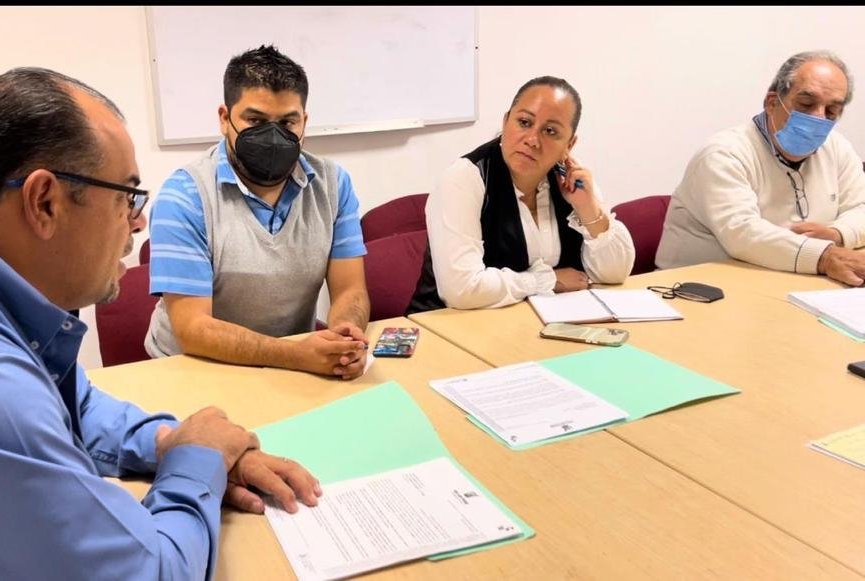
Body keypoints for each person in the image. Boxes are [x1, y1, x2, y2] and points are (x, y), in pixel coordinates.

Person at [0, 67, 322, 580]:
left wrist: (165, 443)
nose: (138, 222)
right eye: (127, 196)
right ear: (43, 201)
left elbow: (67, 402)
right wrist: (197, 462)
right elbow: (150, 574)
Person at [144, 45, 370, 380]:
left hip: (293, 368)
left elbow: (351, 289)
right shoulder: (184, 196)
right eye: (255, 120)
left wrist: (345, 335)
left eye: (287, 122)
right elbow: (193, 329)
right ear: (224, 119)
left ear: (304, 122)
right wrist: (295, 354)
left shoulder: (334, 185)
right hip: (194, 368)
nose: (273, 135)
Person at [409, 76, 635, 312]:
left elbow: (615, 273)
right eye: (524, 122)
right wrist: (548, 280)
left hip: (536, 325)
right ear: (506, 121)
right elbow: (462, 290)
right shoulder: (464, 178)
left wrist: (588, 208)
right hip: (447, 329)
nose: (532, 140)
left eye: (550, 131)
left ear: (569, 144)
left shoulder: (571, 180)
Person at [656, 50, 865, 285]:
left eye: (831, 111)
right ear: (772, 102)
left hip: (791, 284)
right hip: (699, 290)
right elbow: (743, 233)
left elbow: (860, 207)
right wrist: (824, 256)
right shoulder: (724, 154)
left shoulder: (837, 148)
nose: (818, 117)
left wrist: (838, 234)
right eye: (807, 104)